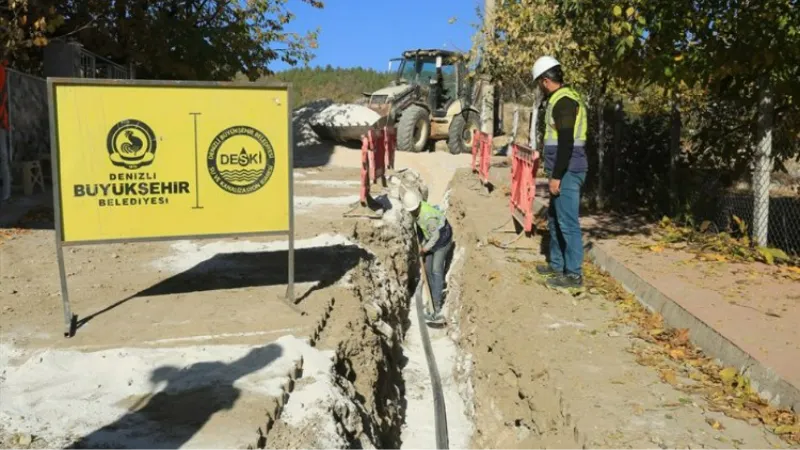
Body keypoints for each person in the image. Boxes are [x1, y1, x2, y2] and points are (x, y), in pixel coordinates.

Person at [531, 56, 588, 289]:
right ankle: (556, 264)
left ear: (545, 81)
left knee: (568, 223)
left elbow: (565, 142)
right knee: (554, 220)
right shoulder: (559, 100)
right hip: (563, 169)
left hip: (568, 171)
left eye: (538, 84)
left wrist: (556, 177)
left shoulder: (564, 102)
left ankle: (573, 274)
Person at [402, 189, 453, 323]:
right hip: (432, 238)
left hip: (442, 239)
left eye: (413, 210)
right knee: (428, 267)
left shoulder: (427, 216)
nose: (412, 213)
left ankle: (436, 305)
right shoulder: (416, 211)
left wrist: (424, 248)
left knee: (436, 270)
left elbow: (435, 236)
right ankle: (431, 298)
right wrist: (421, 242)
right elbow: (419, 228)